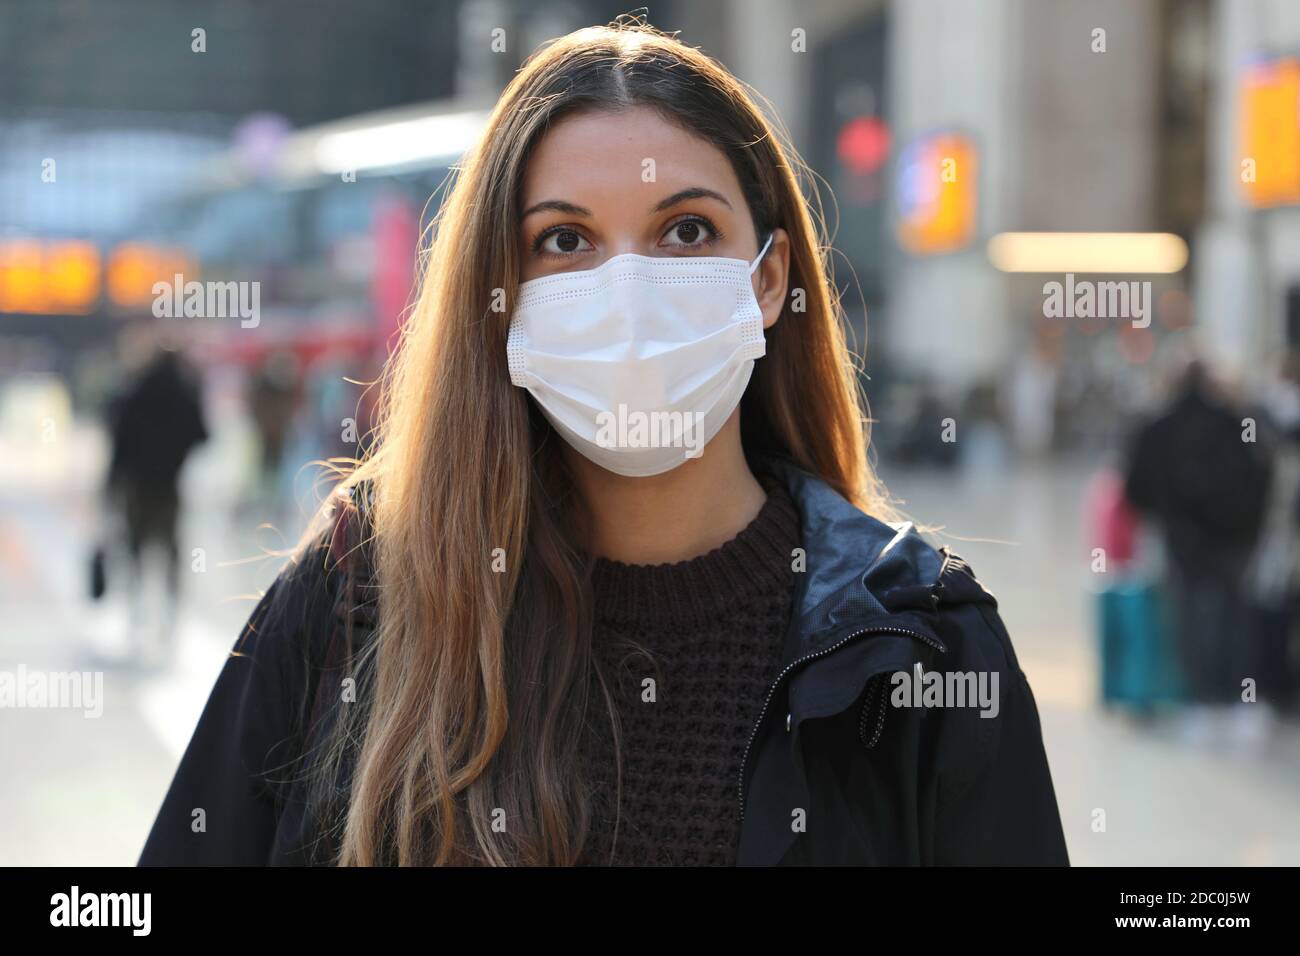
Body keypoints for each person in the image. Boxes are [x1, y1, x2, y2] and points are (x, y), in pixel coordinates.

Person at [139, 19, 1067, 867]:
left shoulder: (917, 648)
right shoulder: (361, 596)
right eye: (565, 241)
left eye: (686, 230)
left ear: (770, 276)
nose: (627, 294)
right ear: (498, 291)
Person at [1123, 354, 1274, 729]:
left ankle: (1199, 701)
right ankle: (1239, 700)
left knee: (1188, 618)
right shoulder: (1238, 423)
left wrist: (1168, 515)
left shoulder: (1158, 426)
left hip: (1184, 540)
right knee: (1236, 618)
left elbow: (1135, 488)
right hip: (1236, 541)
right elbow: (1262, 476)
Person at [104, 342, 208, 654]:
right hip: (169, 487)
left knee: (136, 553)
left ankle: (137, 617)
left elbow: (119, 444)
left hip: (137, 489)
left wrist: (110, 486)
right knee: (171, 554)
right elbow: (203, 434)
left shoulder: (134, 393)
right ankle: (170, 620)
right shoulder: (182, 395)